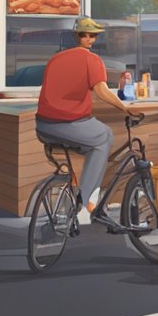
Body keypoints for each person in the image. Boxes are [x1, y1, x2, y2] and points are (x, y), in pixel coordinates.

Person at [35, 17, 143, 224]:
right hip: (68, 124)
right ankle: (86, 204)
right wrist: (125, 108)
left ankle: (81, 190)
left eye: (92, 34)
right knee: (105, 136)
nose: (89, 38)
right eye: (88, 34)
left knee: (93, 140)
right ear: (81, 36)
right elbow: (101, 91)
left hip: (43, 126)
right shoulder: (91, 60)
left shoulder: (55, 59)